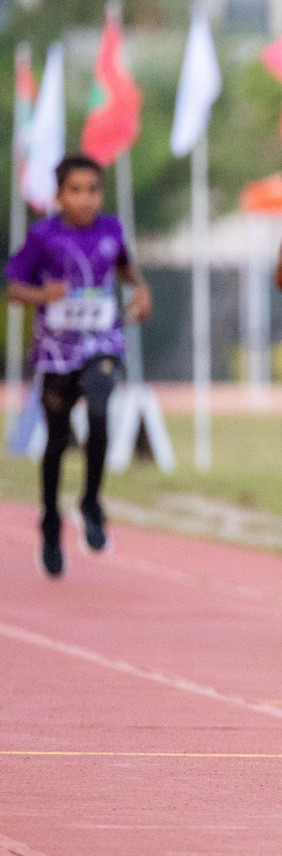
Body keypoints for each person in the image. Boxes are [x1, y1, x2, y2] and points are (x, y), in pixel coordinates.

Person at [6, 154, 151, 577]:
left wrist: (141, 289)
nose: (85, 199)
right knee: (55, 441)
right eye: (75, 190)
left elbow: (125, 268)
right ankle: (50, 523)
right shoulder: (42, 236)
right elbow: (14, 287)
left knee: (102, 407)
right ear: (58, 195)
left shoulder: (111, 230)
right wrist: (40, 295)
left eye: (93, 190)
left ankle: (90, 502)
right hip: (56, 350)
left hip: (102, 340)